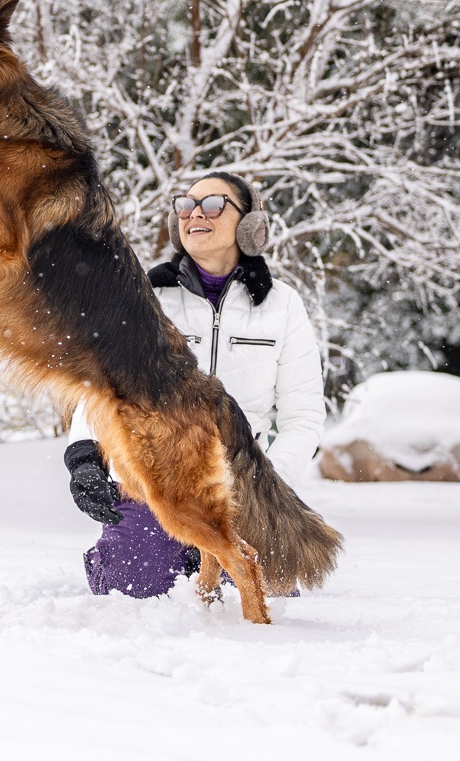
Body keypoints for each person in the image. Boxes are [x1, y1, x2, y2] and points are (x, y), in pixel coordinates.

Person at [63, 172, 323, 598]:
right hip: (157, 471)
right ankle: (136, 549)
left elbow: (304, 415)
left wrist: (267, 484)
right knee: (131, 586)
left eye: (214, 204)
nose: (194, 213)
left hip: (242, 478)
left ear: (249, 225)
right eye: (185, 205)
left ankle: (200, 554)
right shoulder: (146, 296)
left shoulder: (282, 306)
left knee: (261, 591)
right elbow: (103, 389)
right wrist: (84, 458)